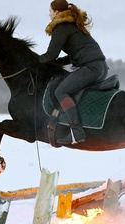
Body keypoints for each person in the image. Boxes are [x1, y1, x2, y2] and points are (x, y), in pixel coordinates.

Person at [39, 0, 108, 145]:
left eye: (50, 11)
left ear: (57, 12)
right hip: (99, 67)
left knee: (61, 91)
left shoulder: (61, 27)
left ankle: (77, 133)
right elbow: (74, 55)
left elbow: (50, 55)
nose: (49, 14)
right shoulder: (71, 25)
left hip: (90, 68)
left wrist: (33, 61)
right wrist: (58, 63)